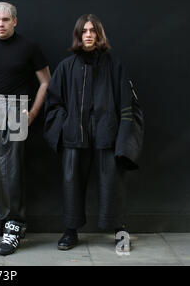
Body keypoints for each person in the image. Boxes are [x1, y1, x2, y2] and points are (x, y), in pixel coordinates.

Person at [43, 14, 143, 250]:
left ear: (99, 34)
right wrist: (67, 125)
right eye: (84, 31)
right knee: (71, 183)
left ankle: (119, 229)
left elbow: (127, 106)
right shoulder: (66, 67)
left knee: (113, 183)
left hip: (107, 136)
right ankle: (70, 231)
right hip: (74, 137)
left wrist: (122, 141)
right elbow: (53, 103)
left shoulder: (114, 65)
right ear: (78, 35)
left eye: (93, 30)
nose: (88, 35)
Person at [0, 2, 51, 256]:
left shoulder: (29, 47)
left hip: (17, 110)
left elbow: (45, 83)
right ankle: (0, 225)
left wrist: (32, 114)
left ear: (15, 21)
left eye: (5, 20)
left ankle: (14, 227)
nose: (1, 24)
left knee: (11, 171)